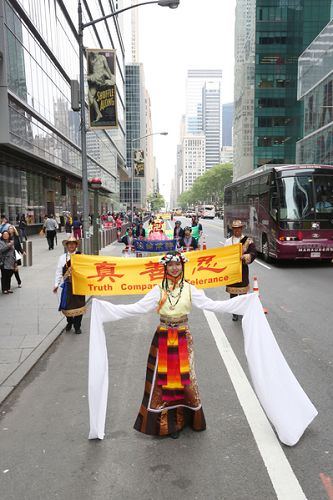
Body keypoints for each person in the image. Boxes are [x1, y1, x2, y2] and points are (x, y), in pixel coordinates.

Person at [88, 251, 318, 443]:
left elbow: (211, 304)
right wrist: (105, 309)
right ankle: (168, 424)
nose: (175, 268)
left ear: (182, 267)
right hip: (163, 336)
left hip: (182, 337)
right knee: (164, 382)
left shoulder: (190, 289)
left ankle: (187, 419)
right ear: (165, 267)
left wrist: (244, 302)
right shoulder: (158, 290)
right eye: (171, 265)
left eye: (178, 264)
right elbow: (136, 308)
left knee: (186, 380)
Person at [224, 220, 256, 321]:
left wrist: (245, 257)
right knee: (233, 293)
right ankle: (234, 313)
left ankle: (242, 311)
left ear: (241, 229)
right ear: (233, 229)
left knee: (242, 293)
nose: (237, 230)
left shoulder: (248, 241)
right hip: (232, 270)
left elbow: (253, 253)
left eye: (239, 228)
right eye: (235, 229)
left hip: (243, 269)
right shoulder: (228, 241)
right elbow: (224, 254)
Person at [53, 236, 86, 334]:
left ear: (76, 245)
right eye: (69, 244)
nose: (71, 245)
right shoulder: (62, 258)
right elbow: (59, 271)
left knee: (79, 305)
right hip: (68, 285)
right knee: (66, 305)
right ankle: (70, 321)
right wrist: (56, 284)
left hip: (79, 285)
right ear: (67, 246)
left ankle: (77, 326)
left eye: (73, 243)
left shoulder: (81, 257)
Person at [87, 51, 116, 123]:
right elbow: (92, 64)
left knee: (91, 96)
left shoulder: (102, 58)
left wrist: (110, 77)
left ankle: (99, 113)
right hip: (95, 79)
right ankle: (99, 113)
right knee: (91, 97)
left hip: (99, 79)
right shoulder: (92, 58)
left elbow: (107, 67)